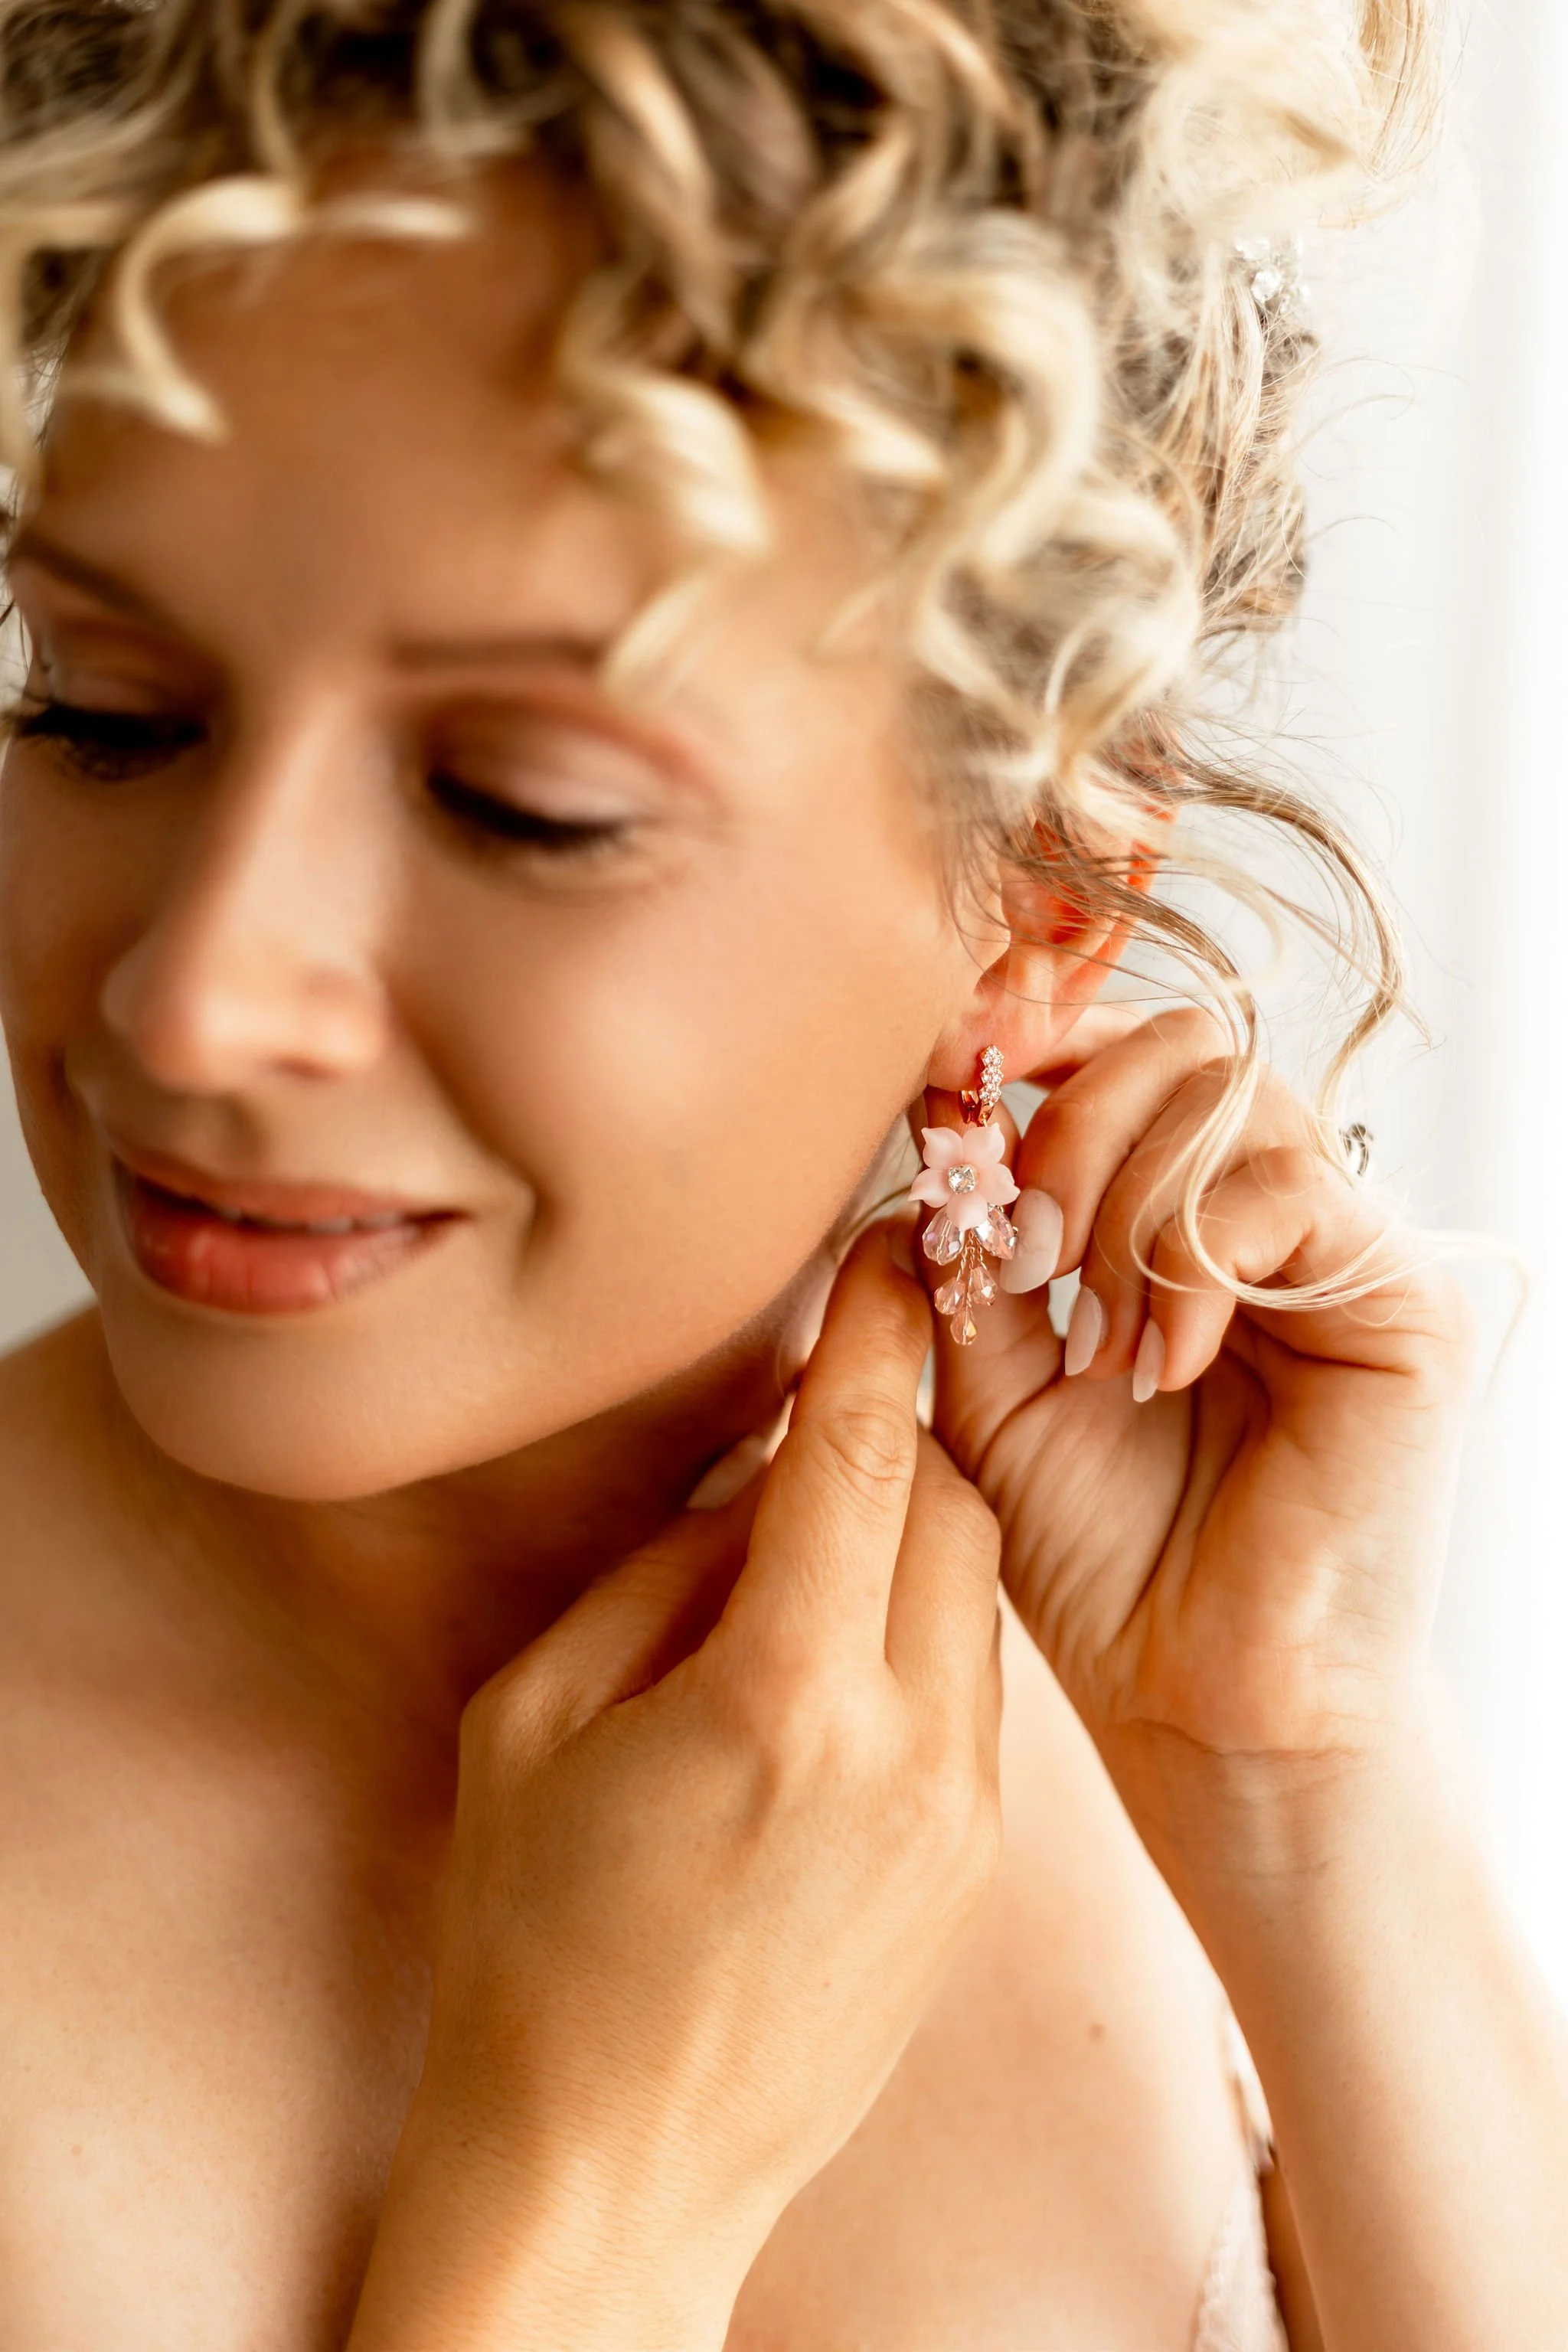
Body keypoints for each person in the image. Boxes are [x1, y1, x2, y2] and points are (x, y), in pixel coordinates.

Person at [0, 1, 1563, 2347]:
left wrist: (1297, 1787)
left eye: (525, 806)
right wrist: (592, 2191)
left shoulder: (1169, 1723)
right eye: (103, 709)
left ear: (1040, 912)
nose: (197, 999)